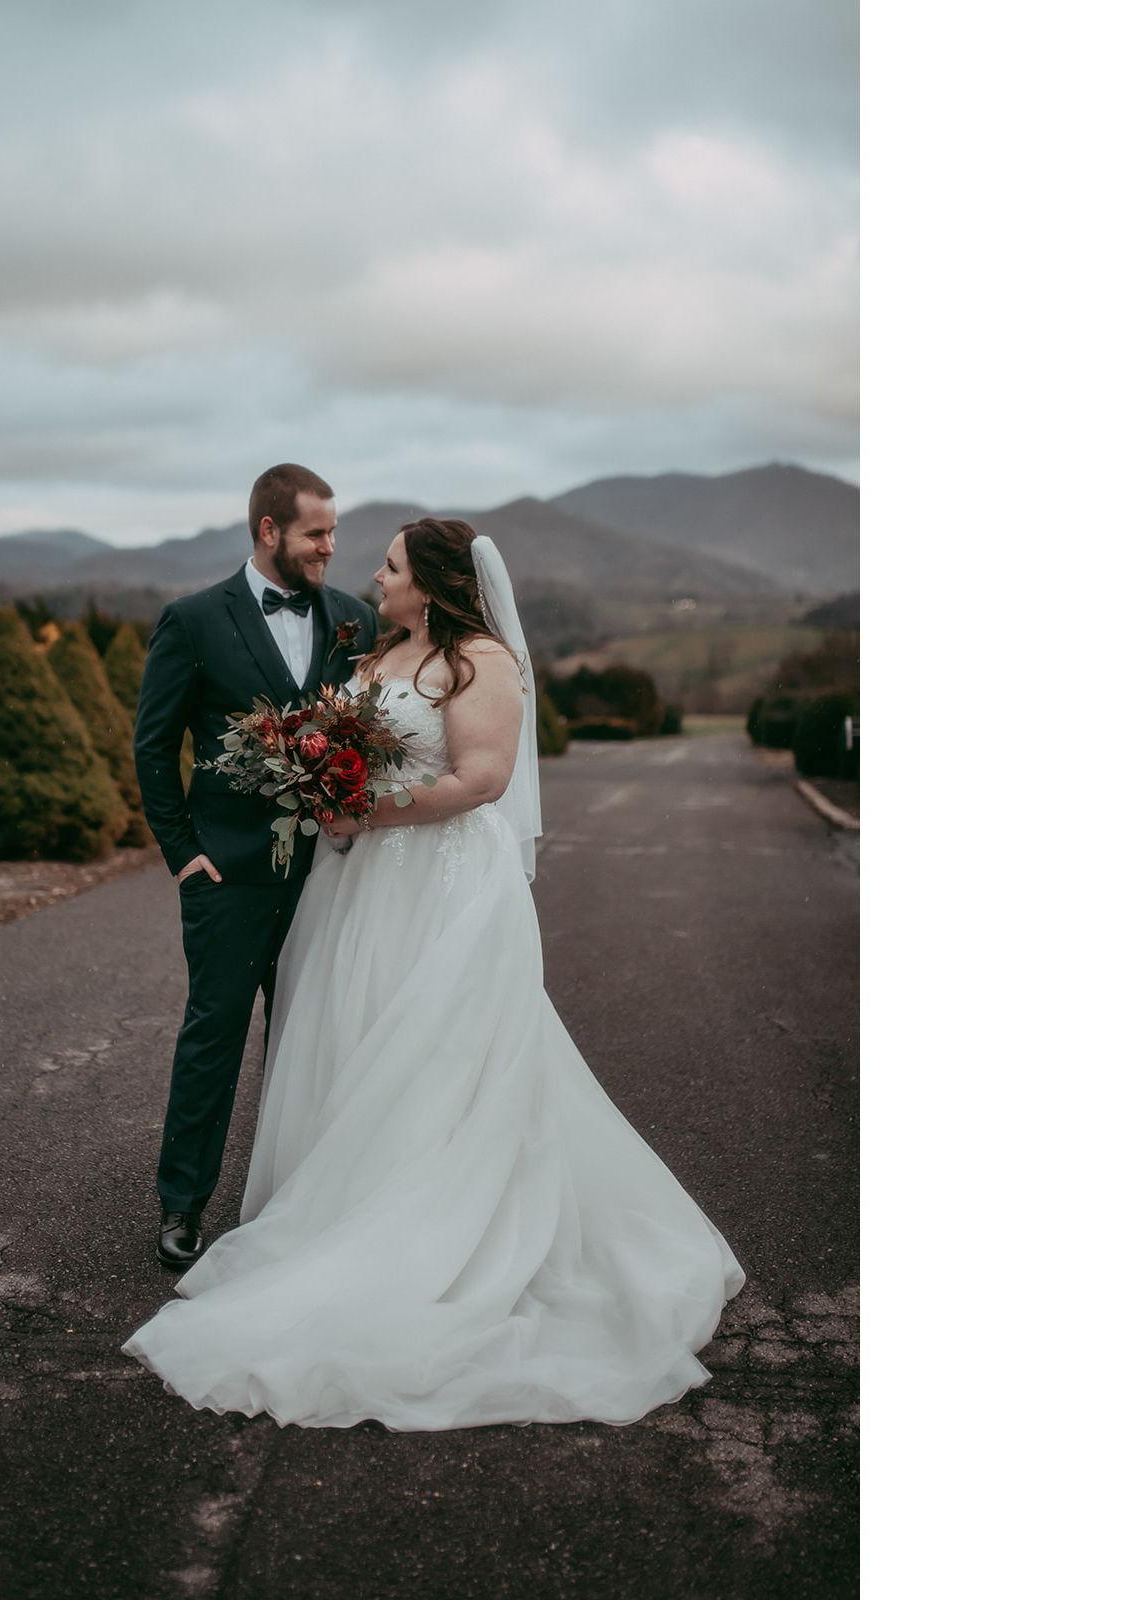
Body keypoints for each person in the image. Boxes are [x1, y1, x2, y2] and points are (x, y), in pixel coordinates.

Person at [123, 517, 746, 1429]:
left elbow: (482, 779)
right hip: (359, 886)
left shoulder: (481, 661)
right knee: (356, 1039)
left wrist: (364, 810)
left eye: (391, 566)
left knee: (439, 1051)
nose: (374, 577)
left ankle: (434, 1228)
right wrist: (321, 784)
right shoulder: (378, 656)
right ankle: (346, 1209)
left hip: (445, 883)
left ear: (435, 582)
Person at [133, 463, 380, 1270]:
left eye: (334, 532)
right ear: (268, 531)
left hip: (330, 874)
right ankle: (181, 1203)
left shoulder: (355, 621)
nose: (329, 547)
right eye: (315, 533)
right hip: (228, 874)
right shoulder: (195, 620)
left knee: (308, 1039)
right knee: (215, 1035)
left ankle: (293, 1201)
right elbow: (153, 746)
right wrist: (184, 854)